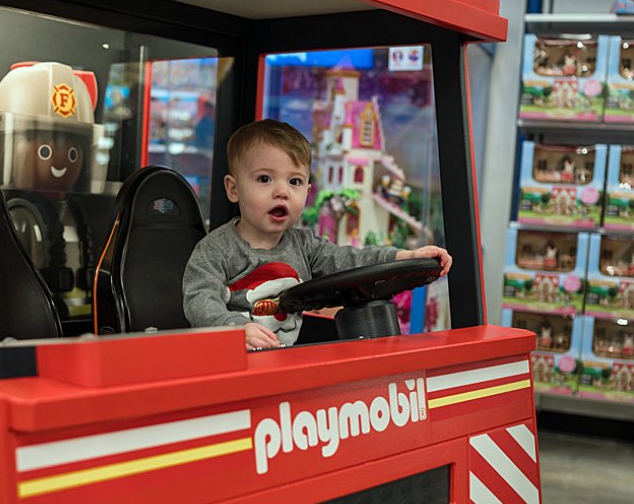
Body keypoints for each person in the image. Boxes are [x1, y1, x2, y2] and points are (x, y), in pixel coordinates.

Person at [182, 119, 451, 350]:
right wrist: (234, 328)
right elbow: (200, 299)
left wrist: (404, 256)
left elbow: (348, 259)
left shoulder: (305, 246)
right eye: (265, 179)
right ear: (233, 189)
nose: (282, 191)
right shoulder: (215, 251)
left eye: (294, 181)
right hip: (232, 365)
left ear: (307, 193)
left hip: (287, 361)